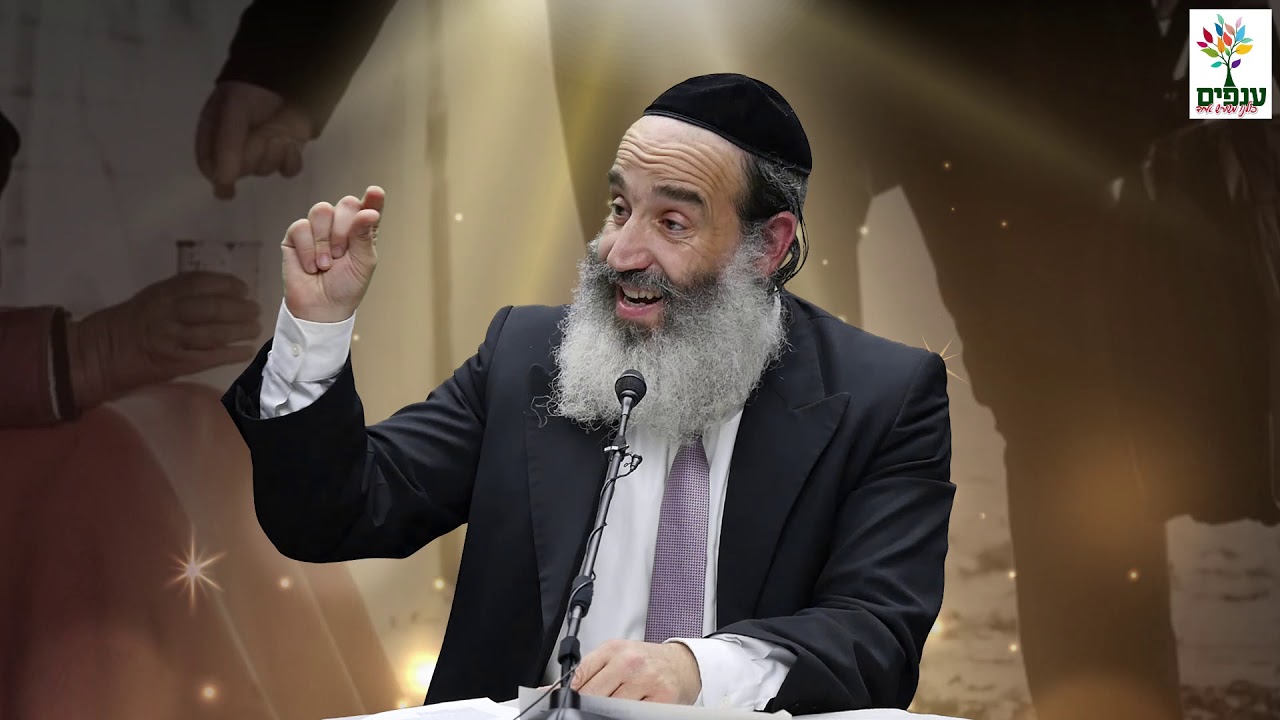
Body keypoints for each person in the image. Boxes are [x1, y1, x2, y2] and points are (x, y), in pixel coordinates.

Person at [220, 74, 954, 714]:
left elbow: (878, 636)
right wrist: (317, 327)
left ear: (768, 245)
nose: (619, 252)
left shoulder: (885, 397)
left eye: (672, 222)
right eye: (618, 208)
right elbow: (331, 516)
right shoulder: (528, 356)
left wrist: (693, 670)